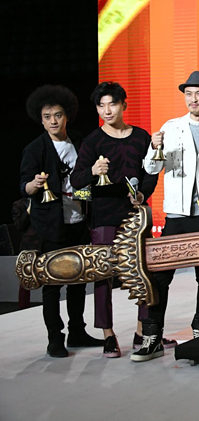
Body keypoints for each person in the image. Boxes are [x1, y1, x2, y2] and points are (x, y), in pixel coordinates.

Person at [133, 71, 199, 361]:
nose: (193, 99)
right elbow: (151, 168)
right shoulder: (171, 127)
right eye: (189, 94)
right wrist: (154, 147)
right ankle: (153, 336)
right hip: (177, 213)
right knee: (161, 277)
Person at [70, 82, 158, 358]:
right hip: (104, 215)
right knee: (103, 274)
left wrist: (142, 193)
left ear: (123, 105)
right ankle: (108, 335)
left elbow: (151, 172)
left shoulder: (141, 137)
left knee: (144, 271)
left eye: (112, 104)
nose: (107, 110)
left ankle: (142, 331)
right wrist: (92, 171)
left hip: (135, 215)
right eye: (101, 106)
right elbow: (76, 181)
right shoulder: (92, 141)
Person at [19, 85, 104, 357]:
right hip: (51, 225)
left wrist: (85, 195)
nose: (53, 121)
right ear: (41, 120)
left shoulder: (80, 142)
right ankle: (55, 338)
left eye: (58, 115)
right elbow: (24, 187)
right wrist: (34, 184)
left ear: (67, 116)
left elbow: (83, 183)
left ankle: (77, 332)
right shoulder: (35, 149)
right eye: (47, 117)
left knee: (79, 278)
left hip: (78, 220)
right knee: (52, 283)